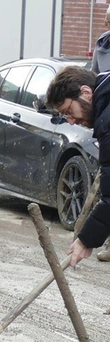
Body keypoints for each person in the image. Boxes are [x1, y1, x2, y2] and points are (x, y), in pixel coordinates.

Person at [46, 66, 110, 268]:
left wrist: (86, 240)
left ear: (86, 92)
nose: (72, 121)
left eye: (68, 111)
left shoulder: (106, 122)